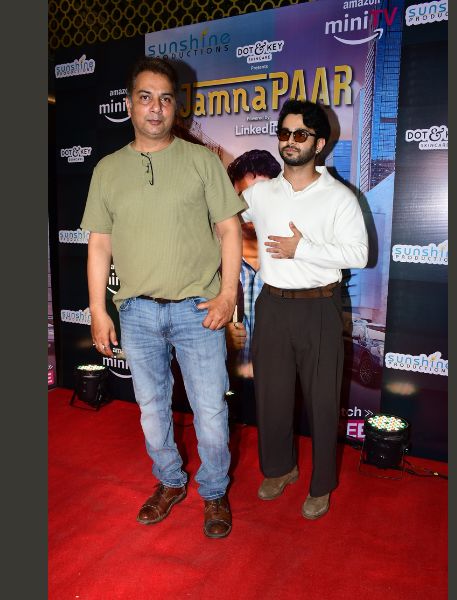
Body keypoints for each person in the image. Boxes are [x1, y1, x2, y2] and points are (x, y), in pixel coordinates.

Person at [79, 57, 246, 539]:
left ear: (177, 107)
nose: (156, 108)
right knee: (152, 410)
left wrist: (227, 294)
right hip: (136, 312)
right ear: (130, 104)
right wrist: (98, 310)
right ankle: (170, 482)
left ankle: (214, 491)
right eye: (146, 97)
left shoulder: (201, 161)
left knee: (210, 411)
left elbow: (230, 230)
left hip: (199, 310)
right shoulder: (108, 169)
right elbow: (99, 245)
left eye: (165, 98)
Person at [241, 99, 368, 519]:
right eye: (284, 133)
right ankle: (280, 469)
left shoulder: (339, 197)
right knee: (272, 397)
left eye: (300, 134)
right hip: (272, 306)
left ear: (320, 143)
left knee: (323, 402)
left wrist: (303, 248)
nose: (290, 141)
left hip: (320, 308)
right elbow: (224, 218)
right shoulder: (260, 193)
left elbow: (360, 253)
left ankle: (321, 485)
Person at [225, 150, 281, 379]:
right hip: (226, 386)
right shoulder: (210, 259)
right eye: (244, 197)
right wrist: (218, 336)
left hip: (277, 387)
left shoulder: (296, 261)